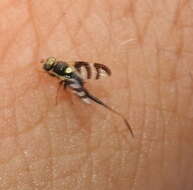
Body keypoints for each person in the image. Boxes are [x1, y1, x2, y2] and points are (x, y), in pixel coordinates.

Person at [0, 1, 193, 189]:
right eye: (50, 63)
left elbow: (62, 81)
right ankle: (111, 111)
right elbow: (74, 69)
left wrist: (72, 92)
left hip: (73, 78)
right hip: (74, 73)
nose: (49, 63)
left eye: (49, 64)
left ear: (53, 65)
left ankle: (110, 111)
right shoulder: (67, 64)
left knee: (73, 89)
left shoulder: (59, 72)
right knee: (75, 86)